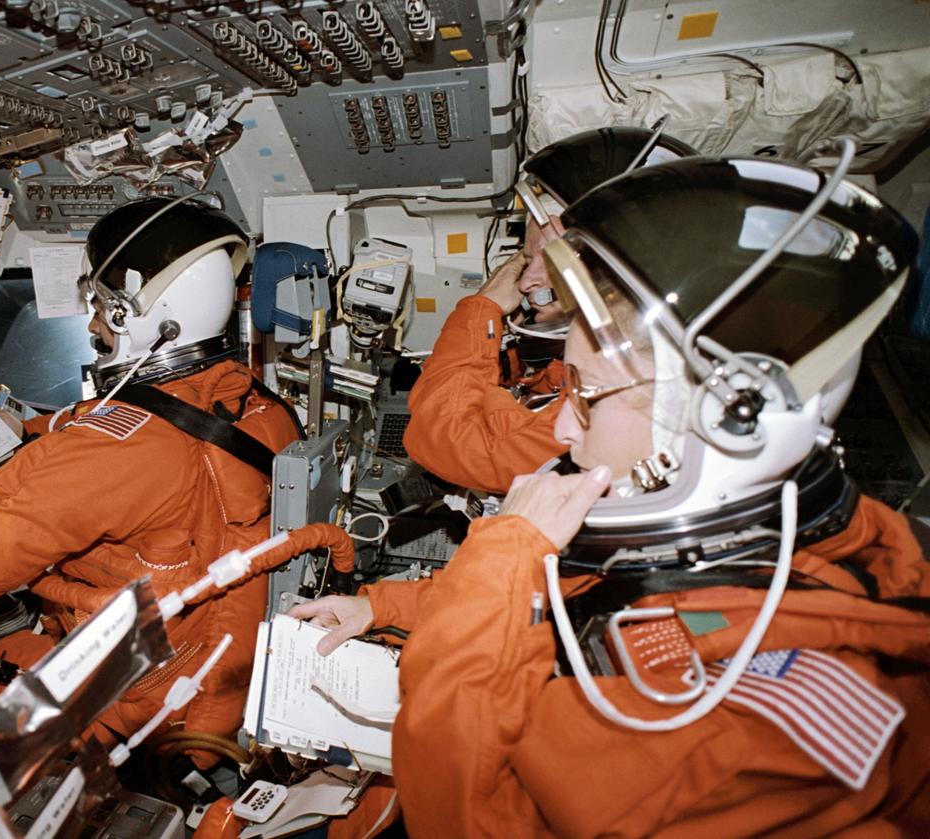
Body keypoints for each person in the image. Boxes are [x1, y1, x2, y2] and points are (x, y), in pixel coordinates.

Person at [294, 152, 930, 835]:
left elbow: (455, 813)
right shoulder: (776, 540)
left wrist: (499, 557)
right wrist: (379, 605)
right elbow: (569, 591)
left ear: (721, 421)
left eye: (589, 398)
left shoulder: (720, 727)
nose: (564, 428)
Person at [0, 197, 301, 752]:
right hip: (222, 665)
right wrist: (32, 425)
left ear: (130, 313)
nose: (96, 325)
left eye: (102, 307)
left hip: (145, 698)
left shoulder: (125, 451)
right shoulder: (258, 404)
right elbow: (147, 419)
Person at [402, 126, 697, 494]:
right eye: (526, 260)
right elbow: (542, 391)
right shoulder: (639, 350)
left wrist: (483, 308)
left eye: (549, 261)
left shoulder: (629, 381)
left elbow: (448, 443)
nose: (526, 282)